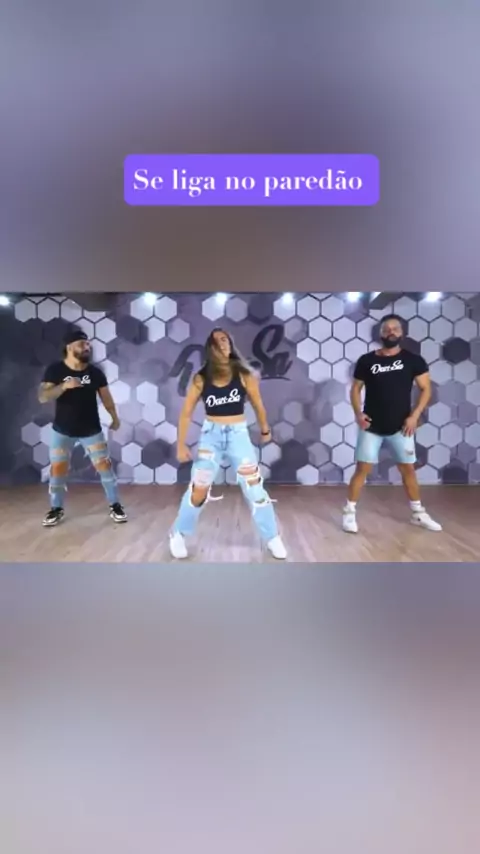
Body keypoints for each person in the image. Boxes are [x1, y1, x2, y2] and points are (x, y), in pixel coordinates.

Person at [169, 328, 287, 560]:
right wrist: (181, 445)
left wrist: (265, 429)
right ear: (210, 348)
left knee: (254, 487)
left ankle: (272, 537)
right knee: (199, 488)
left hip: (238, 435)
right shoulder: (201, 378)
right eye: (217, 341)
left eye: (225, 339)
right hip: (210, 436)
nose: (223, 343)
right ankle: (178, 533)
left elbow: (257, 404)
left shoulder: (244, 374)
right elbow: (186, 413)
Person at [343, 313, 442, 534]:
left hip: (401, 427)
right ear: (380, 333)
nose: (391, 332)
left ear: (402, 333)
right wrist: (358, 414)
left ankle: (418, 513)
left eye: (395, 328)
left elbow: (426, 389)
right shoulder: (367, 360)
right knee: (362, 469)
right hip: (371, 426)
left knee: (408, 470)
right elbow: (355, 389)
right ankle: (349, 513)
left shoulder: (413, 360)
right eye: (386, 329)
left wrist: (414, 416)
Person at [38, 328, 127, 527]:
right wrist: (64, 386)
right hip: (62, 430)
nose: (87, 347)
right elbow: (43, 397)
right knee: (58, 469)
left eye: (88, 344)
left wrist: (114, 417)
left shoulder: (95, 373)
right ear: (70, 347)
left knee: (105, 467)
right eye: (82, 344)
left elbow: (106, 398)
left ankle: (115, 505)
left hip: (91, 430)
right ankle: (56, 508)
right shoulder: (55, 370)